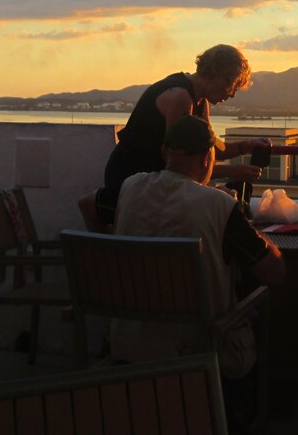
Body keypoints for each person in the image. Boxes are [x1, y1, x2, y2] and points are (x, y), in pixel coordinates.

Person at [111, 115, 285, 434]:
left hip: (131, 342)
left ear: (165, 153)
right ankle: (243, 413)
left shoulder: (130, 188)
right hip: (197, 347)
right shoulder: (217, 204)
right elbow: (274, 272)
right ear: (208, 157)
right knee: (261, 309)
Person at [80, 44, 269, 232]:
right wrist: (235, 171)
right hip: (134, 177)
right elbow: (181, 162)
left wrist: (246, 146)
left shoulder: (200, 100)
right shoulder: (180, 97)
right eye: (232, 85)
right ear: (216, 75)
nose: (232, 94)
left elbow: (210, 149)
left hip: (157, 178)